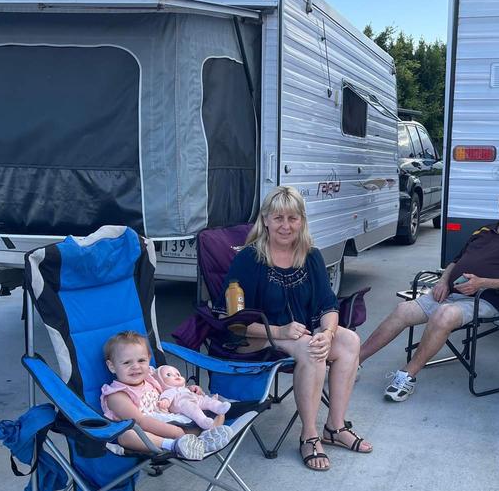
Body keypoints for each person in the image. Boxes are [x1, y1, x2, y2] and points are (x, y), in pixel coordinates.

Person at [222, 185, 369, 472]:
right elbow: (234, 319)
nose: (286, 226)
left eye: (292, 218)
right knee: (309, 348)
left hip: (299, 334)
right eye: (278, 218)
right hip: (254, 338)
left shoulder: (310, 255)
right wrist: (279, 331)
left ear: (302, 220)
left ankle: (335, 427)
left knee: (348, 340)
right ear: (265, 220)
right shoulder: (248, 259)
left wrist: (327, 334)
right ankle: (309, 435)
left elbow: (328, 305)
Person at [359, 182, 499, 402]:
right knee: (403, 310)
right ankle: (353, 361)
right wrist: (444, 281)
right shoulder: (483, 231)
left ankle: (406, 376)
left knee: (444, 314)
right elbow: (455, 262)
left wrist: (482, 283)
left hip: (488, 300)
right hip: (451, 293)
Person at [101, 331, 230, 459]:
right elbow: (140, 421)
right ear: (112, 366)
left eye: (141, 360)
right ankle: (174, 445)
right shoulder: (116, 395)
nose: (136, 366)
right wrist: (176, 433)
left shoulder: (151, 377)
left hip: (169, 419)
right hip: (148, 433)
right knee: (127, 436)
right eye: (127, 362)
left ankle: (202, 441)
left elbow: (172, 390)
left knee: (216, 412)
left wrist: (189, 389)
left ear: (149, 360)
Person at [155, 364, 231, 432]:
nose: (176, 376)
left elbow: (195, 392)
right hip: (182, 404)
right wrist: (164, 402)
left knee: (206, 400)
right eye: (169, 375)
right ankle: (203, 421)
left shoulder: (185, 388)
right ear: (160, 381)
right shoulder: (169, 391)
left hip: (194, 399)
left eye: (178, 374)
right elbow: (167, 398)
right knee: (193, 408)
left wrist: (195, 389)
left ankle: (218, 406)